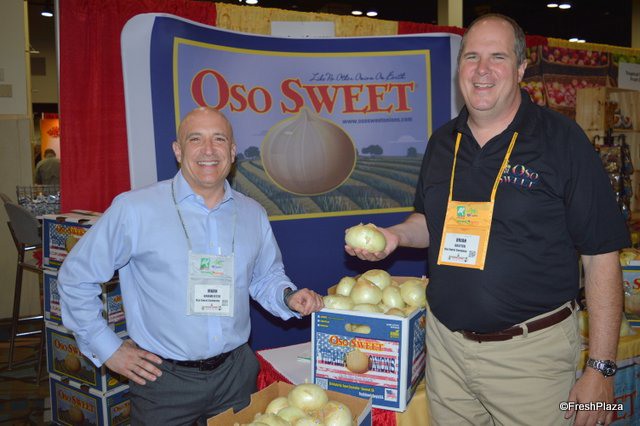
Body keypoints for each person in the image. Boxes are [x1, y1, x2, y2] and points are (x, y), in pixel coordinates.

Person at [345, 14, 630, 426]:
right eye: (471, 57)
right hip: (446, 352)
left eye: (497, 57)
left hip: (531, 360)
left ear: (520, 68)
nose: (482, 70)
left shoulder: (562, 140)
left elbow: (601, 256)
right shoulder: (442, 142)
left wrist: (601, 369)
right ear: (459, 67)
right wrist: (394, 236)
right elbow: (430, 222)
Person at [58, 107, 324, 425]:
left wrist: (287, 297)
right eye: (195, 139)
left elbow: (266, 276)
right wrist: (107, 348)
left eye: (219, 139)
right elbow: (75, 276)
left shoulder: (252, 213)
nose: (208, 150)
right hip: (163, 382)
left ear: (232, 152)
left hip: (236, 376)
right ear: (178, 150)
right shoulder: (135, 209)